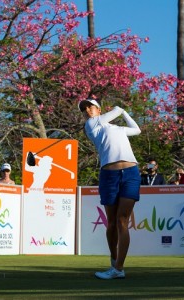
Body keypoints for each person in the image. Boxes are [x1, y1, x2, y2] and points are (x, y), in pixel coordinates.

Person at [79, 98, 141, 280]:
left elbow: (137, 130)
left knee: (122, 220)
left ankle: (118, 269)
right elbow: (114, 112)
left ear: (98, 109)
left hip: (130, 173)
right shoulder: (91, 125)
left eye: (89, 106)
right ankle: (114, 260)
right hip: (109, 175)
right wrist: (119, 108)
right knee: (112, 222)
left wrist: (124, 112)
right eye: (83, 109)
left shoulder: (117, 129)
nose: (87, 110)